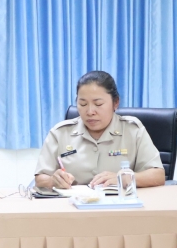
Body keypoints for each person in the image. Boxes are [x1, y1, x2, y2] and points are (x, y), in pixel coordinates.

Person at [35, 71, 165, 189]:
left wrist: (124, 179)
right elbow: (40, 178)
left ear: (115, 103)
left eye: (98, 104)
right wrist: (53, 180)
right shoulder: (60, 133)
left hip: (121, 203)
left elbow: (158, 175)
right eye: (83, 104)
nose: (90, 111)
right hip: (74, 204)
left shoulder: (133, 130)